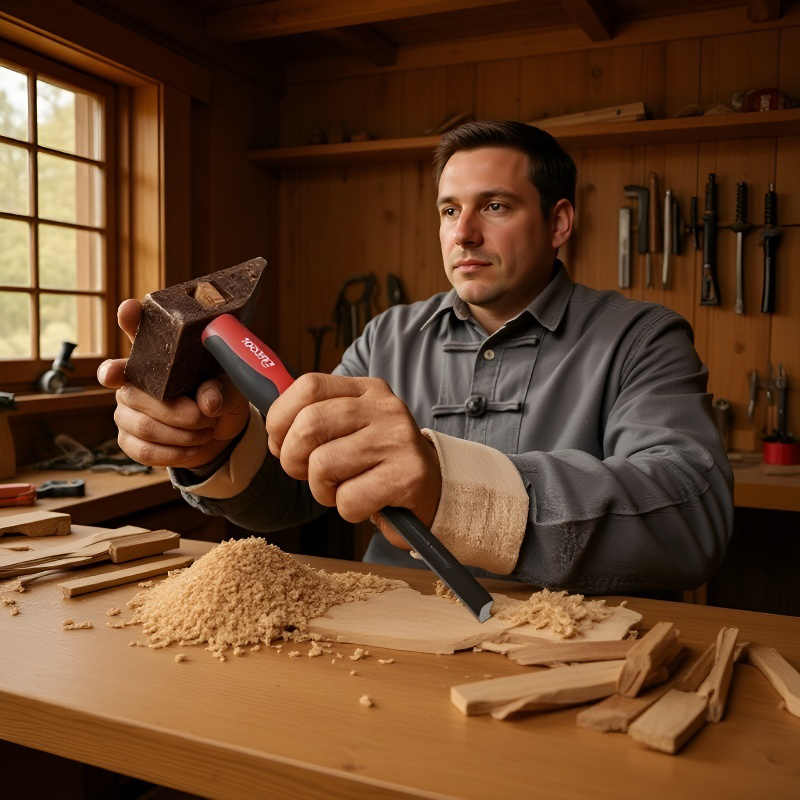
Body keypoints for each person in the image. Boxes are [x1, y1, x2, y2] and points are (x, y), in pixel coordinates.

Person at [98, 120, 733, 593]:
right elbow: (295, 497)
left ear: (560, 222)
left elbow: (689, 515)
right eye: (450, 210)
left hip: (575, 651)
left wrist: (454, 490)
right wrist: (220, 446)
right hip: (392, 637)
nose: (464, 233)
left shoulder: (643, 337)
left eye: (495, 206)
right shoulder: (386, 337)